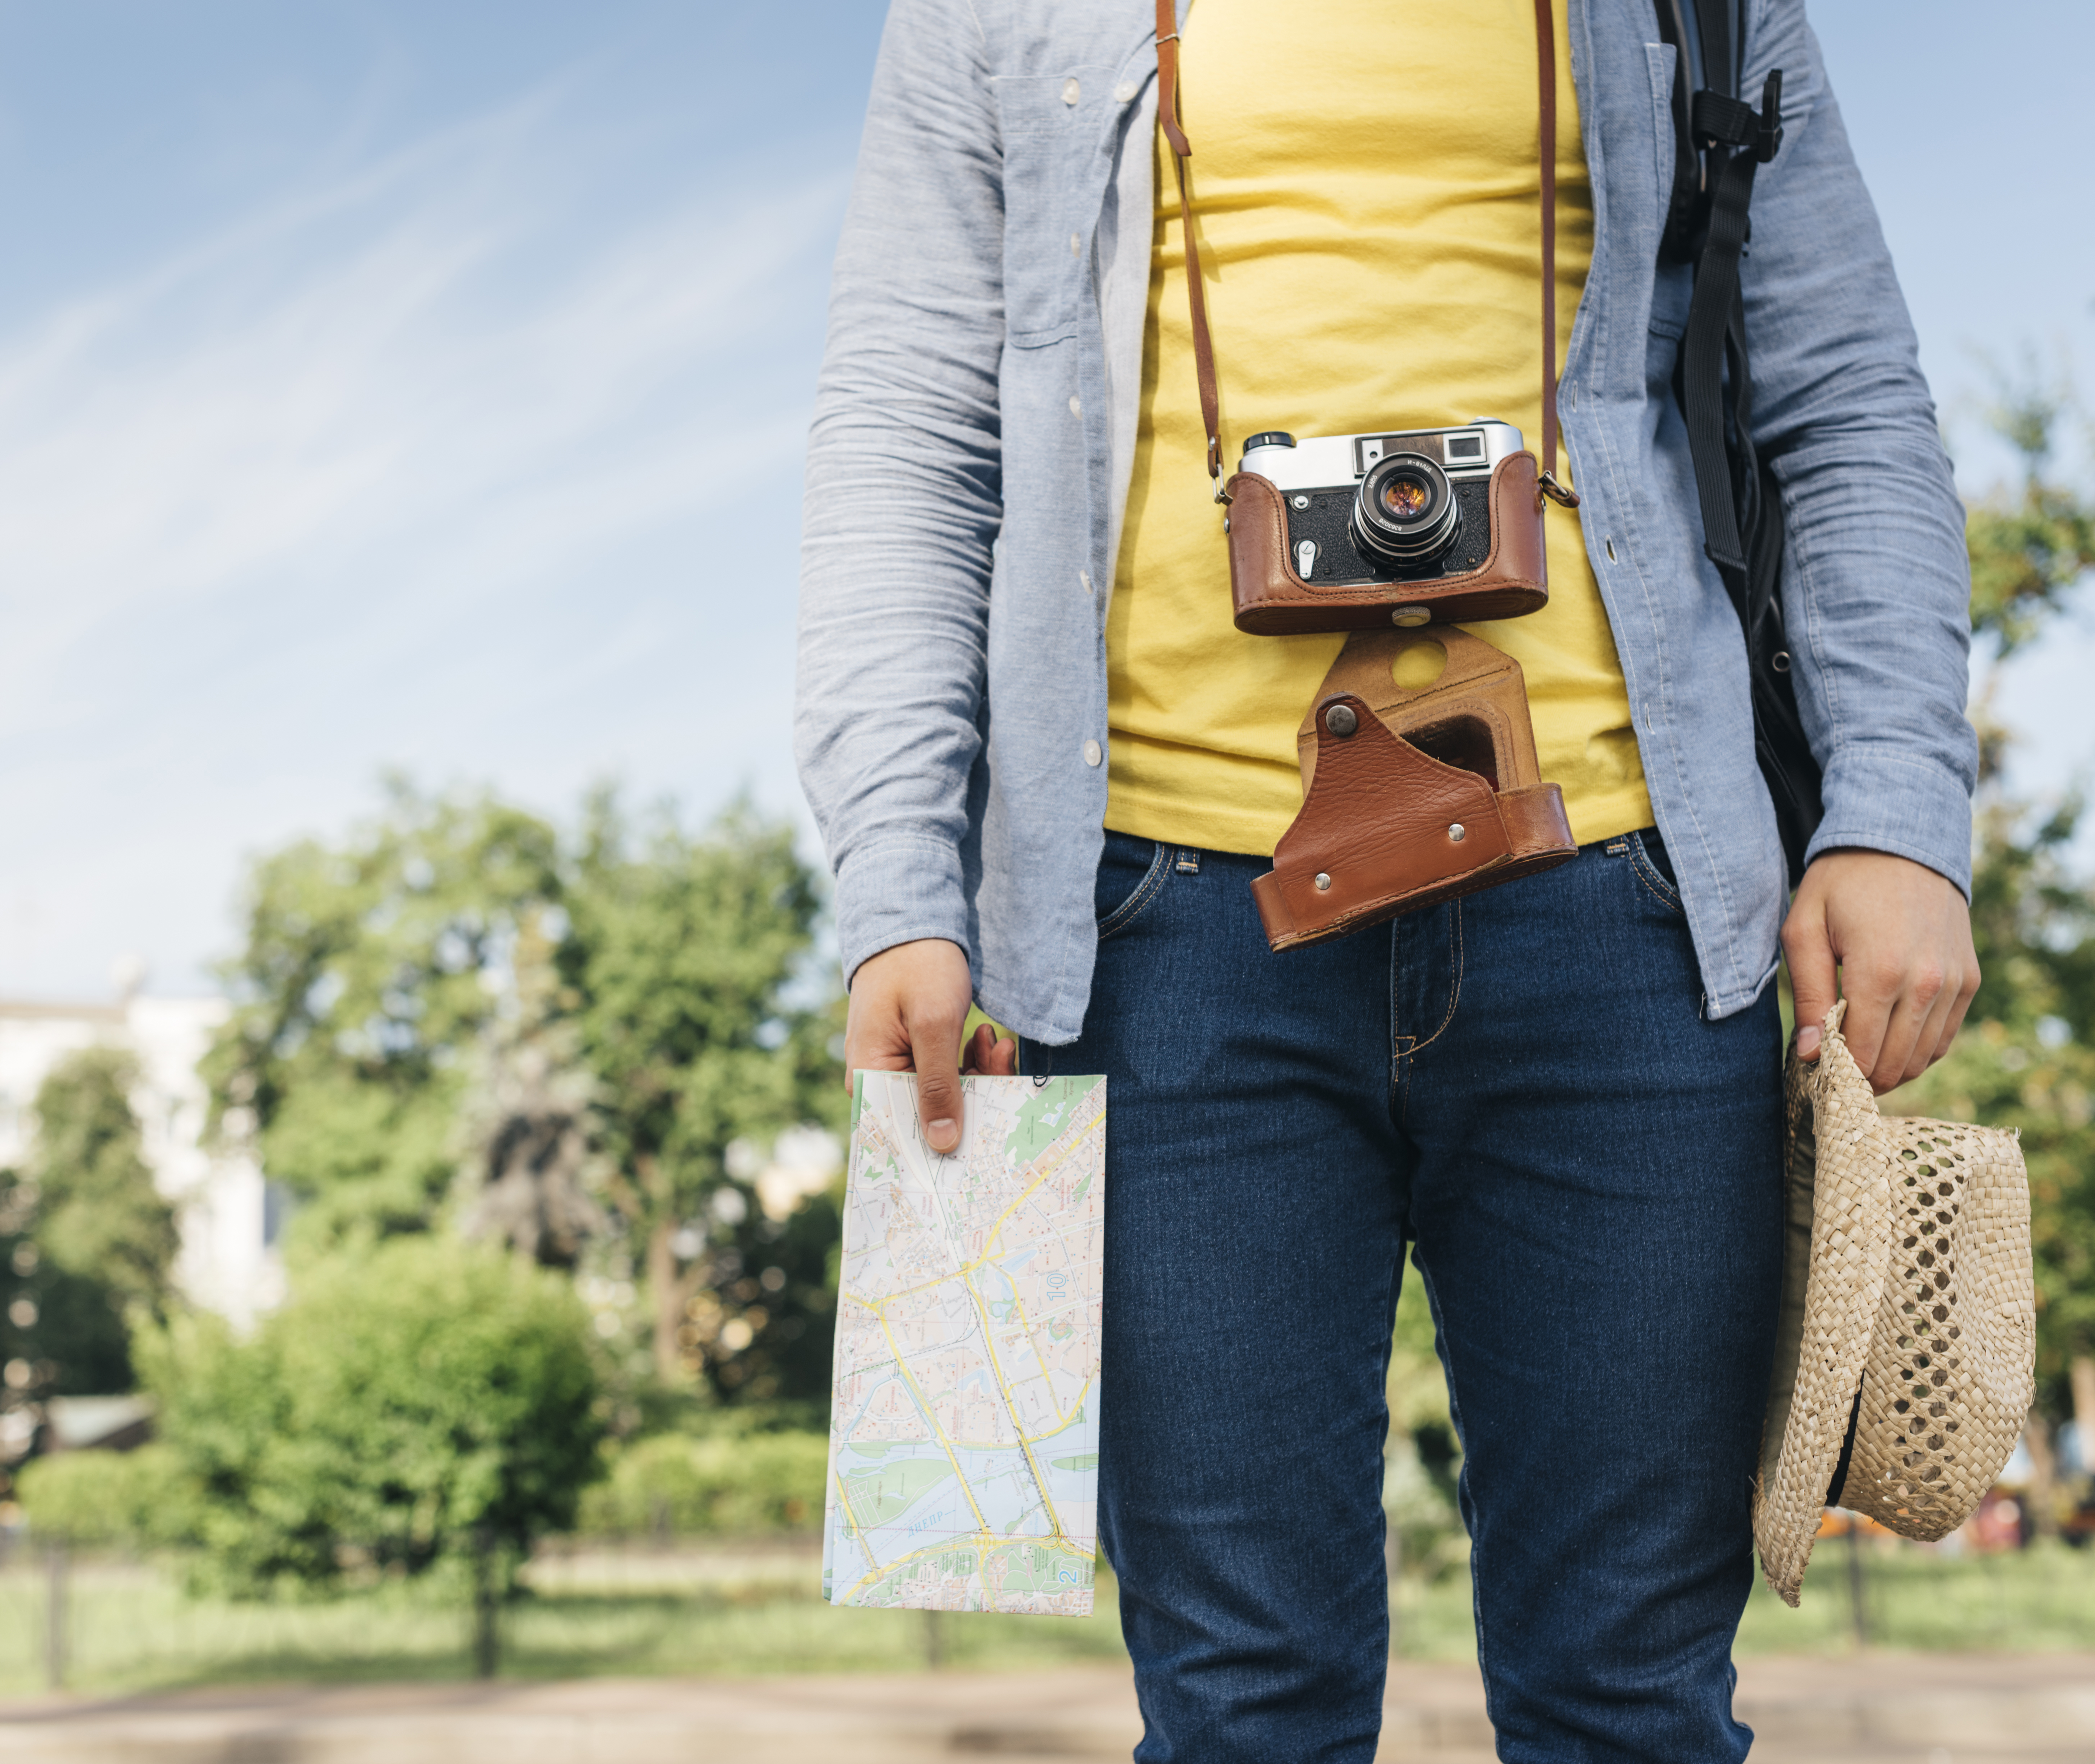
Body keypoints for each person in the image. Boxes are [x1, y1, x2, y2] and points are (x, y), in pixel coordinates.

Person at [795, 3, 1977, 1759]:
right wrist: (901, 878)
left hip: (1633, 903)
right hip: (1156, 930)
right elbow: (905, 431)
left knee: (1633, 1705)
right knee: (1238, 1711)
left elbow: (1847, 395)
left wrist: (1893, 807)